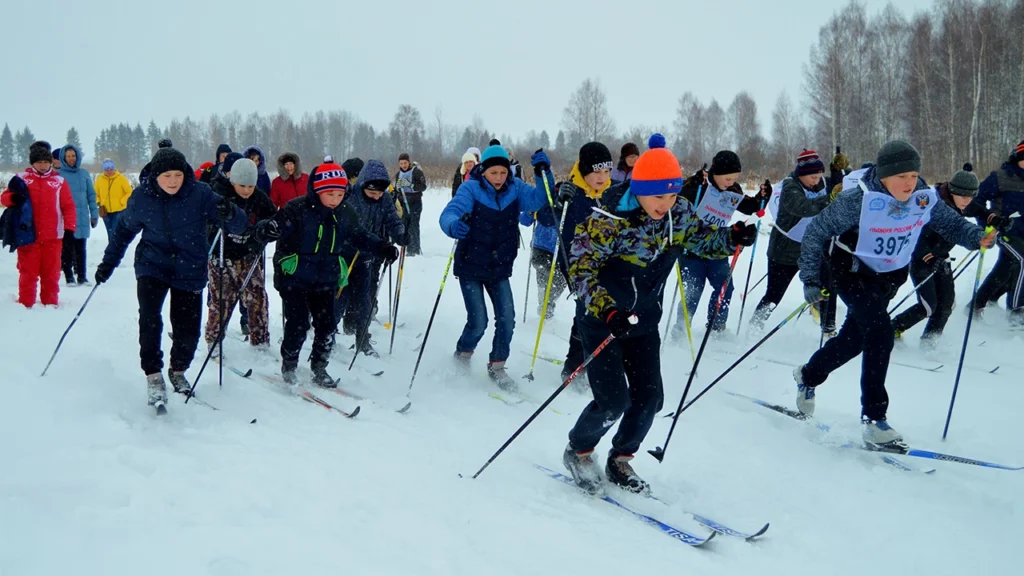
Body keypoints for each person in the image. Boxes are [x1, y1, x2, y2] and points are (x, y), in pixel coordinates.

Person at [561, 135, 755, 494]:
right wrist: (608, 311)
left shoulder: (678, 213)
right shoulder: (608, 218)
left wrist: (732, 238)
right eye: (658, 196)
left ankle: (621, 458)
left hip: (644, 321)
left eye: (671, 195)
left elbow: (700, 239)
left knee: (650, 398)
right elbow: (581, 270)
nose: (665, 204)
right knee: (613, 401)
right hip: (604, 322)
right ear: (638, 189)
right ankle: (579, 450)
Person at [794, 140, 995, 449]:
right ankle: (875, 420)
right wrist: (809, 278)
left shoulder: (922, 198)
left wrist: (975, 237)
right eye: (902, 176)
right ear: (885, 174)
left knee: (852, 342)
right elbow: (816, 232)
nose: (909, 183)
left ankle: (808, 375)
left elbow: (951, 223)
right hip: (852, 273)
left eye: (914, 175)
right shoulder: (858, 199)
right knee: (881, 332)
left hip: (888, 279)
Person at [94, 147, 248, 410]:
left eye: (177, 174)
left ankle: (178, 369)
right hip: (152, 265)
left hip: (189, 267)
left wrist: (230, 213)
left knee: (188, 328)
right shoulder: (142, 198)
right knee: (150, 317)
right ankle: (153, 374)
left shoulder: (200, 194)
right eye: (167, 175)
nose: (173, 181)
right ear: (156, 176)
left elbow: (239, 224)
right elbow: (123, 233)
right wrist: (108, 263)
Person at [264, 162, 398, 386]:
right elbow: (272, 228)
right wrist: (264, 231)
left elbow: (360, 236)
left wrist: (382, 247)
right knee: (297, 325)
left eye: (340, 193)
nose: (335, 199)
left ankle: (319, 367)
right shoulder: (296, 209)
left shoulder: (345, 213)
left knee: (326, 326)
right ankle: (289, 365)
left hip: (326, 279)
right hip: (295, 279)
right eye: (330, 194)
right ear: (316, 190)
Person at [439, 145, 554, 390]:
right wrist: (452, 225)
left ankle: (497, 365)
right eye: (494, 173)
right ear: (484, 171)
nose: (499, 178)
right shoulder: (471, 188)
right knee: (478, 320)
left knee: (507, 318)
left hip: (499, 266)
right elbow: (450, 212)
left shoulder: (515, 189)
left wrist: (544, 172)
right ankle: (462, 354)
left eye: (503, 173)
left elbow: (540, 199)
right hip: (471, 264)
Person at [893, 167, 1000, 347]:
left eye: (971, 196)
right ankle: (892, 328)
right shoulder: (932, 206)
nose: (968, 201)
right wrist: (929, 257)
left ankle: (929, 341)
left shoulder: (962, 201)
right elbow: (915, 238)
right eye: (964, 197)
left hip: (942, 259)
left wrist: (993, 218)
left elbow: (979, 210)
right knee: (928, 306)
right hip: (921, 259)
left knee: (947, 305)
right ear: (952, 192)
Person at [671, 150, 768, 339]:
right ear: (716, 173)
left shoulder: (733, 190)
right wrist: (691, 185)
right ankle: (681, 330)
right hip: (692, 251)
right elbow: (676, 200)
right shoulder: (701, 186)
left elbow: (750, 207)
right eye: (727, 178)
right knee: (692, 292)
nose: (730, 182)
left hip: (717, 251)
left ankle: (716, 328)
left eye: (734, 178)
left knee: (725, 289)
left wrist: (762, 198)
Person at [547, 141, 614, 385]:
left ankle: (598, 362)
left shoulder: (612, 192)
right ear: (584, 169)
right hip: (575, 263)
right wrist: (556, 200)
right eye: (597, 171)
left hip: (606, 262)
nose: (602, 177)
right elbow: (544, 216)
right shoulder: (570, 192)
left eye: (607, 171)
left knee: (603, 313)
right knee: (587, 312)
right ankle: (574, 367)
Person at [751, 149, 838, 336]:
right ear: (802, 175)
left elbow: (840, 189)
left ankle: (829, 329)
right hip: (785, 251)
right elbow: (805, 207)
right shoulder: (790, 188)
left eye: (819, 176)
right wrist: (830, 198)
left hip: (814, 249)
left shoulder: (822, 182)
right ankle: (754, 326)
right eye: (812, 177)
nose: (816, 180)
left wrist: (839, 172)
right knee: (774, 295)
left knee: (828, 288)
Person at [205, 158, 278, 354]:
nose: (246, 190)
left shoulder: (260, 198)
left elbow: (273, 221)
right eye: (242, 185)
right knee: (221, 300)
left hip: (248, 256)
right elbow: (205, 222)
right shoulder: (219, 194)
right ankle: (214, 340)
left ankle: (260, 341)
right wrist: (215, 222)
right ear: (232, 181)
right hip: (221, 256)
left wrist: (266, 232)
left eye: (251, 185)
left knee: (257, 298)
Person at [338, 160, 407, 356]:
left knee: (365, 299)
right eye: (372, 193)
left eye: (379, 193)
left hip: (368, 255)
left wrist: (400, 233)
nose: (376, 197)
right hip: (345, 255)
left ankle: (362, 338)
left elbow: (392, 219)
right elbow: (349, 229)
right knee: (339, 298)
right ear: (363, 185)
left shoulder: (384, 199)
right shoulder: (350, 197)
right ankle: (327, 336)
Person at [0, 141, 77, 308]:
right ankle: (26, 304)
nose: (42, 165)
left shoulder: (59, 182)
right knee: (28, 273)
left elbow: (69, 207)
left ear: (51, 162)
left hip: (53, 237)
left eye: (45, 162)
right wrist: (13, 199)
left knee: (51, 274)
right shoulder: (21, 179)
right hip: (27, 236)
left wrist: (70, 229)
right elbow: (4, 198)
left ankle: (50, 304)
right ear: (32, 163)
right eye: (39, 162)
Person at [970, 141, 1024, 326]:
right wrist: (987, 222)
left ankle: (977, 304)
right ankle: (1017, 312)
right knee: (1023, 260)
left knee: (1003, 271)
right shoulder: (1001, 177)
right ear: (1018, 158)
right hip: (1006, 231)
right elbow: (977, 199)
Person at [56, 144, 98, 286]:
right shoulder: (58, 175)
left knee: (81, 248)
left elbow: (91, 195)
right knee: (67, 248)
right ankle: (69, 276)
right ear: (63, 157)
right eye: (68, 156)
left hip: (82, 216)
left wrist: (94, 214)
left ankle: (82, 276)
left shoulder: (84, 174)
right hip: (66, 217)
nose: (71, 159)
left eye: (73, 156)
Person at [519, 208, 565, 319]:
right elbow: (524, 221)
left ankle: (547, 303)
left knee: (561, 281)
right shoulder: (542, 197)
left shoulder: (573, 198)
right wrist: (530, 211)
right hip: (541, 247)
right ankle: (546, 307)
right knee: (548, 274)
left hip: (562, 249)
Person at [393, 153, 427, 256]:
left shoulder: (416, 172)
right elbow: (396, 190)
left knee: (413, 225)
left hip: (415, 202)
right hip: (403, 202)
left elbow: (423, 187)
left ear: (409, 162)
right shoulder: (398, 174)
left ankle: (414, 250)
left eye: (405, 163)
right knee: (404, 225)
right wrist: (397, 189)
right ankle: (406, 248)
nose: (404, 165)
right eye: (401, 163)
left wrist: (411, 185)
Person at [94, 159, 134, 236]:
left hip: (119, 211)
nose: (109, 171)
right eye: (106, 169)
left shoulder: (121, 178)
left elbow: (129, 192)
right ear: (104, 170)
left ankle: (115, 246)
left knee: (115, 232)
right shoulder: (99, 180)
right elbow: (95, 193)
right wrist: (98, 202)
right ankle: (112, 246)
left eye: (111, 169)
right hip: (105, 211)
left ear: (114, 168)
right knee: (110, 233)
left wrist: (122, 201)